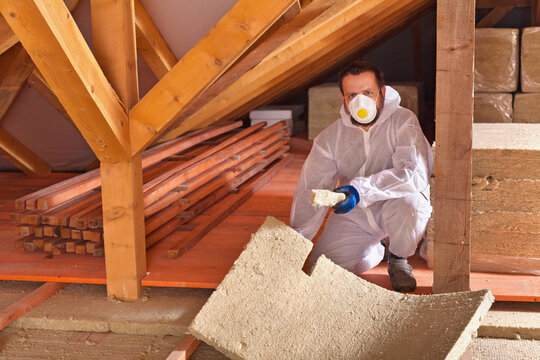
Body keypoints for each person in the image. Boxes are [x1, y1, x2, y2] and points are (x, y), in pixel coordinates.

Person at [290, 61, 433, 292]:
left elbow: (414, 174)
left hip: (396, 204)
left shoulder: (403, 121)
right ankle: (377, 250)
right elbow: (311, 188)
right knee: (321, 269)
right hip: (355, 212)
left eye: (368, 93)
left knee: (411, 205)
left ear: (382, 93)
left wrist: (360, 190)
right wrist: (296, 241)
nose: (360, 102)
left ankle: (398, 259)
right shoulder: (330, 138)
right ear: (343, 99)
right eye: (352, 95)